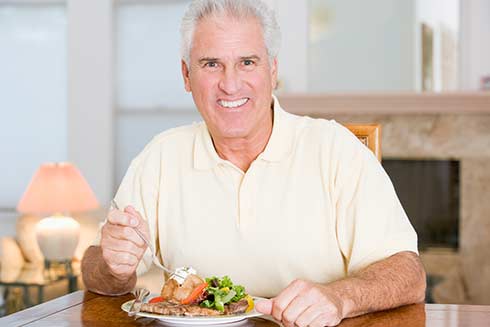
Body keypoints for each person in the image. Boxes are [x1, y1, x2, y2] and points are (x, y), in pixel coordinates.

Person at [82, 0, 426, 326]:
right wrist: (113, 266)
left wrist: (339, 297)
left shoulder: (337, 150)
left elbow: (409, 274)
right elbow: (98, 269)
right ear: (186, 76)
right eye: (211, 64)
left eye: (247, 62)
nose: (230, 84)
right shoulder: (160, 156)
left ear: (272, 71)